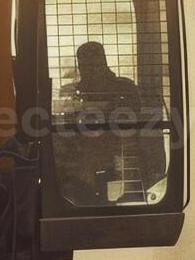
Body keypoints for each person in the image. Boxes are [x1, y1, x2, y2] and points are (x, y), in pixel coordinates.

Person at [55, 41, 167, 204]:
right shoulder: (72, 93)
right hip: (82, 163)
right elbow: (64, 124)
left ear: (103, 62)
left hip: (120, 155)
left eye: (94, 63)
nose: (90, 69)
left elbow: (133, 121)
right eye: (84, 64)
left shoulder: (125, 88)